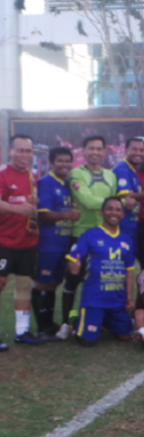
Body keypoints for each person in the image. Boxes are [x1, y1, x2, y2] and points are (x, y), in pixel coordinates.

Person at [62, 135, 118, 331]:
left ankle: (97, 320)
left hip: (105, 236)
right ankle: (65, 323)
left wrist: (114, 207)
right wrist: (113, 206)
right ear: (84, 151)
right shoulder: (76, 174)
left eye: (99, 148)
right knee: (73, 279)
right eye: (91, 148)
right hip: (81, 234)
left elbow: (115, 203)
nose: (95, 152)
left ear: (104, 151)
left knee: (100, 279)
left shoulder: (111, 175)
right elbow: (86, 200)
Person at [65, 197, 135, 347]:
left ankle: (102, 320)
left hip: (117, 300)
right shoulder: (90, 235)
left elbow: (129, 272)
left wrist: (129, 297)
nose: (114, 213)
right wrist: (74, 263)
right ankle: (77, 319)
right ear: (102, 212)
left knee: (125, 337)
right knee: (88, 341)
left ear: (122, 214)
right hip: (94, 299)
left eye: (118, 210)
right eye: (110, 209)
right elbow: (74, 256)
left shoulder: (126, 239)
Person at [32, 147, 81, 339]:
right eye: (60, 161)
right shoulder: (46, 182)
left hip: (63, 244)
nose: (65, 165)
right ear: (51, 163)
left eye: (68, 161)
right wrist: (66, 214)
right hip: (48, 244)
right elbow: (42, 215)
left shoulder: (68, 183)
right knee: (42, 284)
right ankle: (42, 327)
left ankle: (49, 324)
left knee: (54, 283)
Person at [0, 135, 43, 350]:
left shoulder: (32, 175)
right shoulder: (2, 173)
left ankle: (22, 331)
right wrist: (18, 208)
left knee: (25, 285)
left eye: (28, 150)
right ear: (10, 151)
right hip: (4, 241)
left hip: (27, 241)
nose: (25, 155)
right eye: (20, 150)